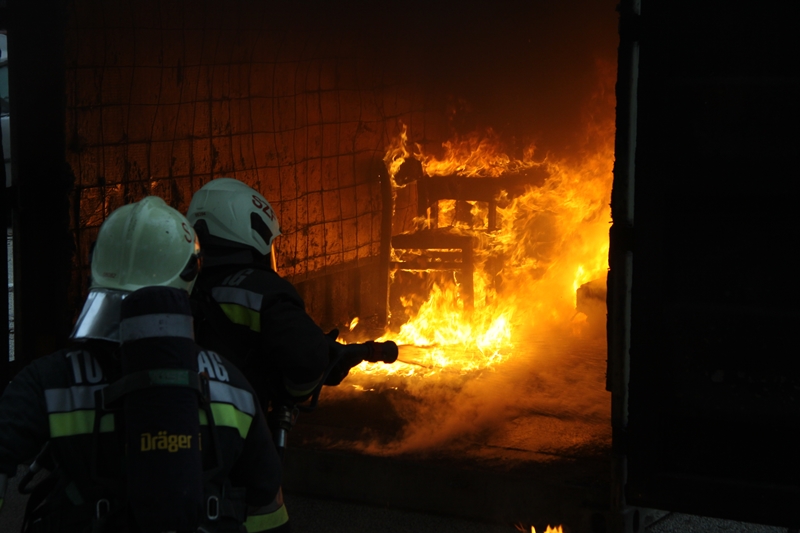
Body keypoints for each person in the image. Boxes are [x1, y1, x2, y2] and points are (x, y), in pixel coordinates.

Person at [0, 196, 288, 533]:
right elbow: (267, 502)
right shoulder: (230, 384)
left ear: (98, 265)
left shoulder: (48, 380)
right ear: (190, 271)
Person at [185, 178, 332, 414]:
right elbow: (307, 357)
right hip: (237, 432)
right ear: (252, 231)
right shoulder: (265, 289)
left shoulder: (179, 280)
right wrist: (286, 392)